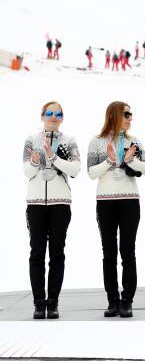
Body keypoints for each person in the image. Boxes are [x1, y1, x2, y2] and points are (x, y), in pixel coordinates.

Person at [87, 101, 145, 318]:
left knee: (128, 251)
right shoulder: (97, 142)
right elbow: (91, 173)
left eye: (131, 114)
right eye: (126, 114)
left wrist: (130, 161)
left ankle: (127, 301)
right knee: (108, 253)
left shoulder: (135, 141)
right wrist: (109, 161)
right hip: (105, 201)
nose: (130, 117)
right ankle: (112, 300)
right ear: (114, 115)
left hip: (130, 201)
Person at [23, 101, 81, 319]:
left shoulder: (70, 141)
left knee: (57, 253)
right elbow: (26, 172)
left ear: (62, 117)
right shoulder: (31, 140)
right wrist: (37, 162)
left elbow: (75, 169)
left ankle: (53, 302)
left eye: (58, 114)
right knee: (37, 252)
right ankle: (39, 303)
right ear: (42, 116)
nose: (54, 116)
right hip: (36, 203)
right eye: (50, 113)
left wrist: (55, 158)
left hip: (60, 203)